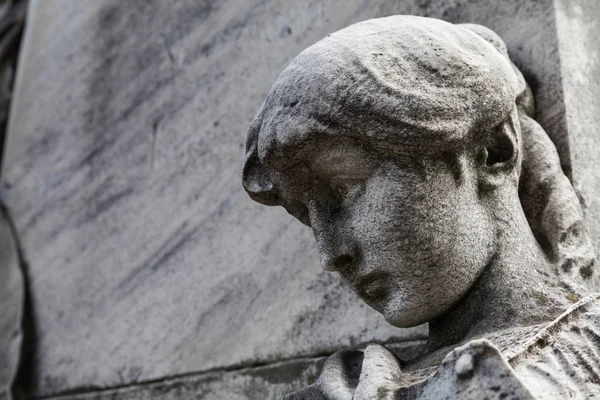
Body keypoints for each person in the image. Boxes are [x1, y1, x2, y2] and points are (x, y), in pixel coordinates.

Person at [242, 15, 599, 399]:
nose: (330, 254)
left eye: (345, 188)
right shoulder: (349, 389)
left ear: (494, 151)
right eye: (305, 215)